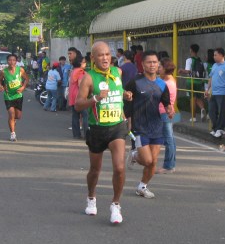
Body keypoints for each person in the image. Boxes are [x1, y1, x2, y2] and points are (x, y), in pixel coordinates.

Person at [75, 41, 132, 224]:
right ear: (93, 58)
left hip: (117, 127)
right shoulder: (88, 78)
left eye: (107, 54)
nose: (105, 58)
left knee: (120, 168)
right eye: (101, 55)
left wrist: (125, 94)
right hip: (97, 129)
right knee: (95, 170)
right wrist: (96, 98)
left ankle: (116, 204)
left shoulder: (117, 72)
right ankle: (91, 197)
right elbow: (78, 105)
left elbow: (118, 90)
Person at [124, 51, 173, 198]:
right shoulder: (135, 82)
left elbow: (166, 103)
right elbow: (126, 100)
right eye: (149, 62)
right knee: (147, 160)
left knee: (153, 162)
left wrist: (169, 110)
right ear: (143, 64)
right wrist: (127, 119)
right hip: (139, 127)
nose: (152, 65)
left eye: (155, 62)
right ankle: (134, 154)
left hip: (156, 126)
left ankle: (142, 187)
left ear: (158, 64)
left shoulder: (162, 84)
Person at [205, 47, 225, 138]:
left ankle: (219, 129)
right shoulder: (214, 66)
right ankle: (216, 128)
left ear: (221, 55)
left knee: (221, 112)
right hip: (213, 92)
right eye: (214, 55)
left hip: (222, 93)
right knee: (211, 111)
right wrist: (207, 89)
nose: (214, 57)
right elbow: (211, 78)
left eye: (216, 55)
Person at [0, 53, 29, 142]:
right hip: (8, 96)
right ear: (7, 61)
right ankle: (12, 134)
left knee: (17, 116)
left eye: (13, 60)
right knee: (11, 114)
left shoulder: (20, 70)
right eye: (10, 60)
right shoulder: (3, 72)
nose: (11, 62)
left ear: (16, 61)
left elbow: (26, 79)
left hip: (18, 96)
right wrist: (0, 86)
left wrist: (23, 87)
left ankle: (13, 121)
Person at [157, 58, 177, 173]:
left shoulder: (166, 83)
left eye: (160, 67)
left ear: (165, 68)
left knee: (168, 139)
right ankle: (170, 164)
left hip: (164, 112)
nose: (158, 69)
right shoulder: (169, 80)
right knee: (170, 139)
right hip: (167, 111)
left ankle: (168, 165)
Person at [179, 44, 207, 122]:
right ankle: (202, 109)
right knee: (198, 97)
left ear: (191, 50)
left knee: (192, 99)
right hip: (199, 81)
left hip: (191, 81)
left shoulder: (189, 60)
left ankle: (193, 117)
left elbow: (188, 71)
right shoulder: (199, 60)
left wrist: (181, 70)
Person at [69, 55, 88, 139]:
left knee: (75, 116)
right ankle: (87, 134)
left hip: (72, 96)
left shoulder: (73, 71)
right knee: (85, 115)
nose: (85, 64)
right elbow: (81, 84)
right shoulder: (81, 72)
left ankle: (76, 134)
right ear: (80, 63)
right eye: (84, 62)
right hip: (80, 96)